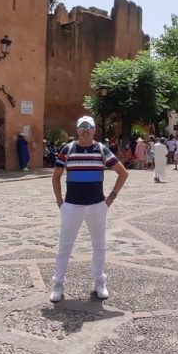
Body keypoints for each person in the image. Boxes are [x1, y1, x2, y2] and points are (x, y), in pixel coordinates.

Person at [50, 115, 129, 302]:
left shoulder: (101, 150)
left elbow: (123, 173)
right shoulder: (68, 149)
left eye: (89, 126)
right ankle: (58, 283)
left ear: (94, 129)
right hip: (71, 205)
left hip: (96, 206)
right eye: (82, 127)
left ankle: (100, 281)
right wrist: (60, 202)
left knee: (99, 245)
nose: (85, 130)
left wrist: (110, 199)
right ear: (77, 130)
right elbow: (56, 176)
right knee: (64, 246)